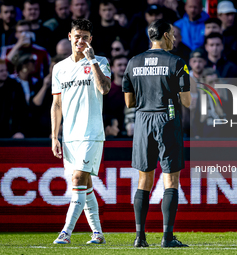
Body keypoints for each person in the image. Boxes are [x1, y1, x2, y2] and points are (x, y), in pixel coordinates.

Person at [122, 19, 191, 248]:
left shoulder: (133, 62)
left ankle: (140, 238)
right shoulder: (177, 62)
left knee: (144, 180)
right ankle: (167, 238)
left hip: (142, 121)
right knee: (170, 180)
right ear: (164, 35)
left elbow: (129, 102)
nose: (174, 38)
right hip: (167, 119)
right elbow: (187, 101)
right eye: (171, 34)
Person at [51, 19, 111, 244]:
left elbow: (104, 89)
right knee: (85, 185)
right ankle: (98, 233)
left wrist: (92, 60)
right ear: (70, 37)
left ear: (91, 40)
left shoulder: (101, 61)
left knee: (77, 178)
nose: (81, 40)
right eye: (77, 36)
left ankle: (65, 232)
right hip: (70, 136)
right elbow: (56, 105)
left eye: (85, 37)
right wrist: (54, 136)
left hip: (91, 133)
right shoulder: (59, 67)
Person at [0, 59, 27, 139]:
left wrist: (20, 131)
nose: (5, 73)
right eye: (1, 71)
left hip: (12, 133)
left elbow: (23, 110)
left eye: (5, 70)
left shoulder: (15, 86)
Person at [104, 54, 128, 137]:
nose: (123, 68)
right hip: (113, 134)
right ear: (112, 68)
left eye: (125, 65)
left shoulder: (135, 89)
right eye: (119, 65)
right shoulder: (107, 90)